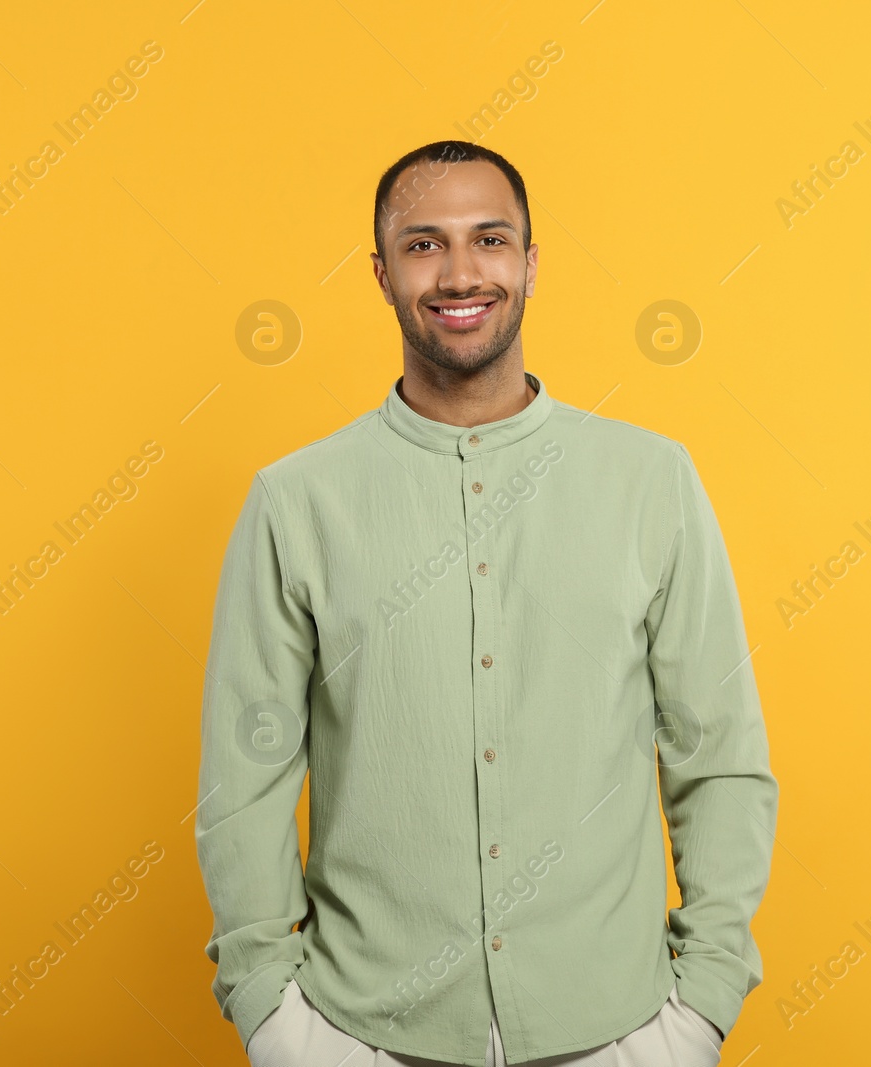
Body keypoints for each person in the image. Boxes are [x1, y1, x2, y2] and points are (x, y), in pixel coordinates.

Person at [195, 139, 778, 1067]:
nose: (460, 272)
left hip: (620, 1030)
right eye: (424, 245)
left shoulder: (650, 480)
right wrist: (276, 1017)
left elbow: (721, 754)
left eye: (490, 239)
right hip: (362, 1035)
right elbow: (246, 775)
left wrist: (699, 1006)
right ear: (382, 273)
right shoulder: (296, 500)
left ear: (531, 265)